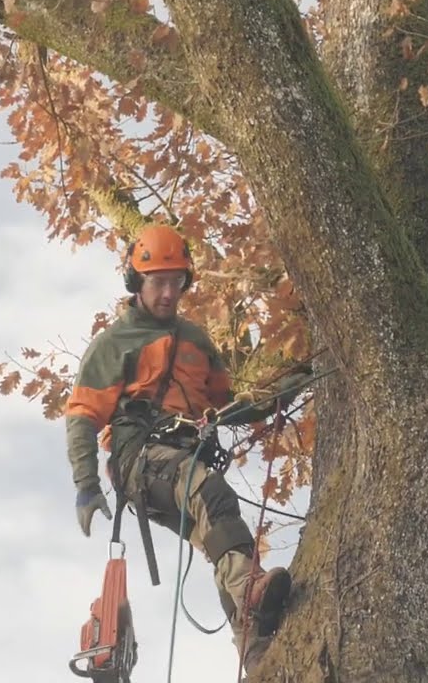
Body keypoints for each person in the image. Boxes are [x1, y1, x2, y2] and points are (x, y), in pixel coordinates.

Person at [63, 223, 310, 670]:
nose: (167, 293)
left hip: (185, 454)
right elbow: (82, 414)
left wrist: (286, 391)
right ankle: (251, 592)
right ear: (136, 282)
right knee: (212, 493)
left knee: (217, 532)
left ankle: (255, 650)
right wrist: (86, 486)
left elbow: (228, 403)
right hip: (139, 459)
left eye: (175, 283)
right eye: (158, 282)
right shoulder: (114, 344)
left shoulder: (195, 340)